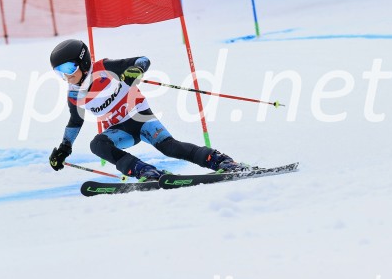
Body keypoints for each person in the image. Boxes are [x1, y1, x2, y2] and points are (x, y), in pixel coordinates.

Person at [47, 39, 245, 181]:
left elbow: (143, 60)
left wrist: (136, 70)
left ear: (83, 62)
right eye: (59, 72)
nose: (66, 76)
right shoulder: (74, 94)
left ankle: (219, 160)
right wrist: (64, 148)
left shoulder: (105, 68)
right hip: (120, 130)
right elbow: (75, 121)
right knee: (97, 144)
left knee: (169, 147)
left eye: (69, 68)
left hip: (141, 119)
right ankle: (144, 171)